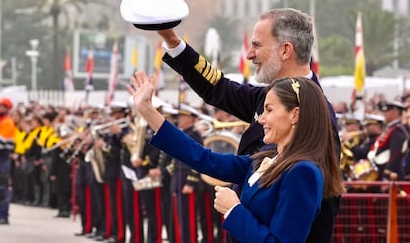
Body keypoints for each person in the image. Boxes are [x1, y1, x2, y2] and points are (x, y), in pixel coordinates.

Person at [149, 8, 341, 242]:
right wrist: (172, 40)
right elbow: (217, 89)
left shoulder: (318, 115)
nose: (249, 54)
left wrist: (234, 210)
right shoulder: (270, 98)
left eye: (257, 45)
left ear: (285, 50)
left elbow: (318, 212)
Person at [127, 72, 344, 242]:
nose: (262, 120)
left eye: (268, 110)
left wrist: (234, 210)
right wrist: (148, 111)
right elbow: (203, 158)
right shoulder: (265, 158)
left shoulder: (303, 172)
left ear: (295, 114)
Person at [0, 97, 16, 224]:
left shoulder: (7, 122)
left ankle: (2, 215)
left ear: (5, 108)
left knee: (1, 189)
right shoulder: (0, 121)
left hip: (1, 159)